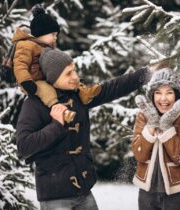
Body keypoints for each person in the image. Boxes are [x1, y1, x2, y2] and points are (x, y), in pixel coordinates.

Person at [16, 47, 152, 209]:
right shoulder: (34, 104)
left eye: (74, 71)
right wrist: (57, 125)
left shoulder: (78, 96)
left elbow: (112, 87)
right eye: (68, 73)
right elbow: (23, 147)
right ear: (53, 77)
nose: (75, 77)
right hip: (55, 198)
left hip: (84, 192)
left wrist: (148, 73)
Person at [12, 5, 100, 123]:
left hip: (46, 77)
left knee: (67, 77)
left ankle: (83, 92)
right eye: (52, 35)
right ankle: (61, 111)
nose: (55, 38)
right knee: (47, 91)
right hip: (32, 82)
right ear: (41, 33)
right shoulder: (26, 45)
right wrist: (26, 82)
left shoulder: (45, 47)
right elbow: (20, 65)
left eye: (56, 36)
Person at [131, 67, 180, 210]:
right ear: (152, 95)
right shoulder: (144, 115)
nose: (163, 98)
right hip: (147, 192)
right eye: (158, 93)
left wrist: (167, 127)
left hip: (177, 192)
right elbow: (139, 154)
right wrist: (151, 125)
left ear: (177, 95)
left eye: (169, 93)